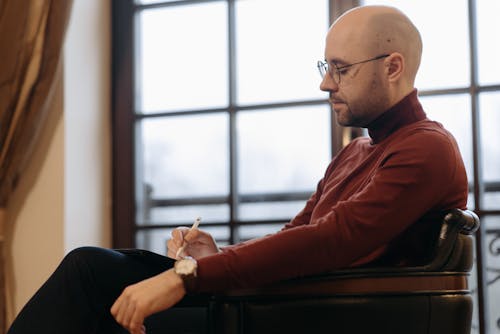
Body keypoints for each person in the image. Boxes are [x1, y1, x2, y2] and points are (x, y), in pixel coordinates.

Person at [7, 5, 468, 334]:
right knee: (90, 268)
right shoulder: (356, 152)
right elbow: (298, 231)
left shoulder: (426, 149)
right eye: (326, 66)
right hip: (285, 302)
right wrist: (214, 255)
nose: (325, 82)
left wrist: (185, 275)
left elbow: (331, 240)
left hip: (311, 314)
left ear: (393, 67)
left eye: (341, 69)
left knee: (94, 296)